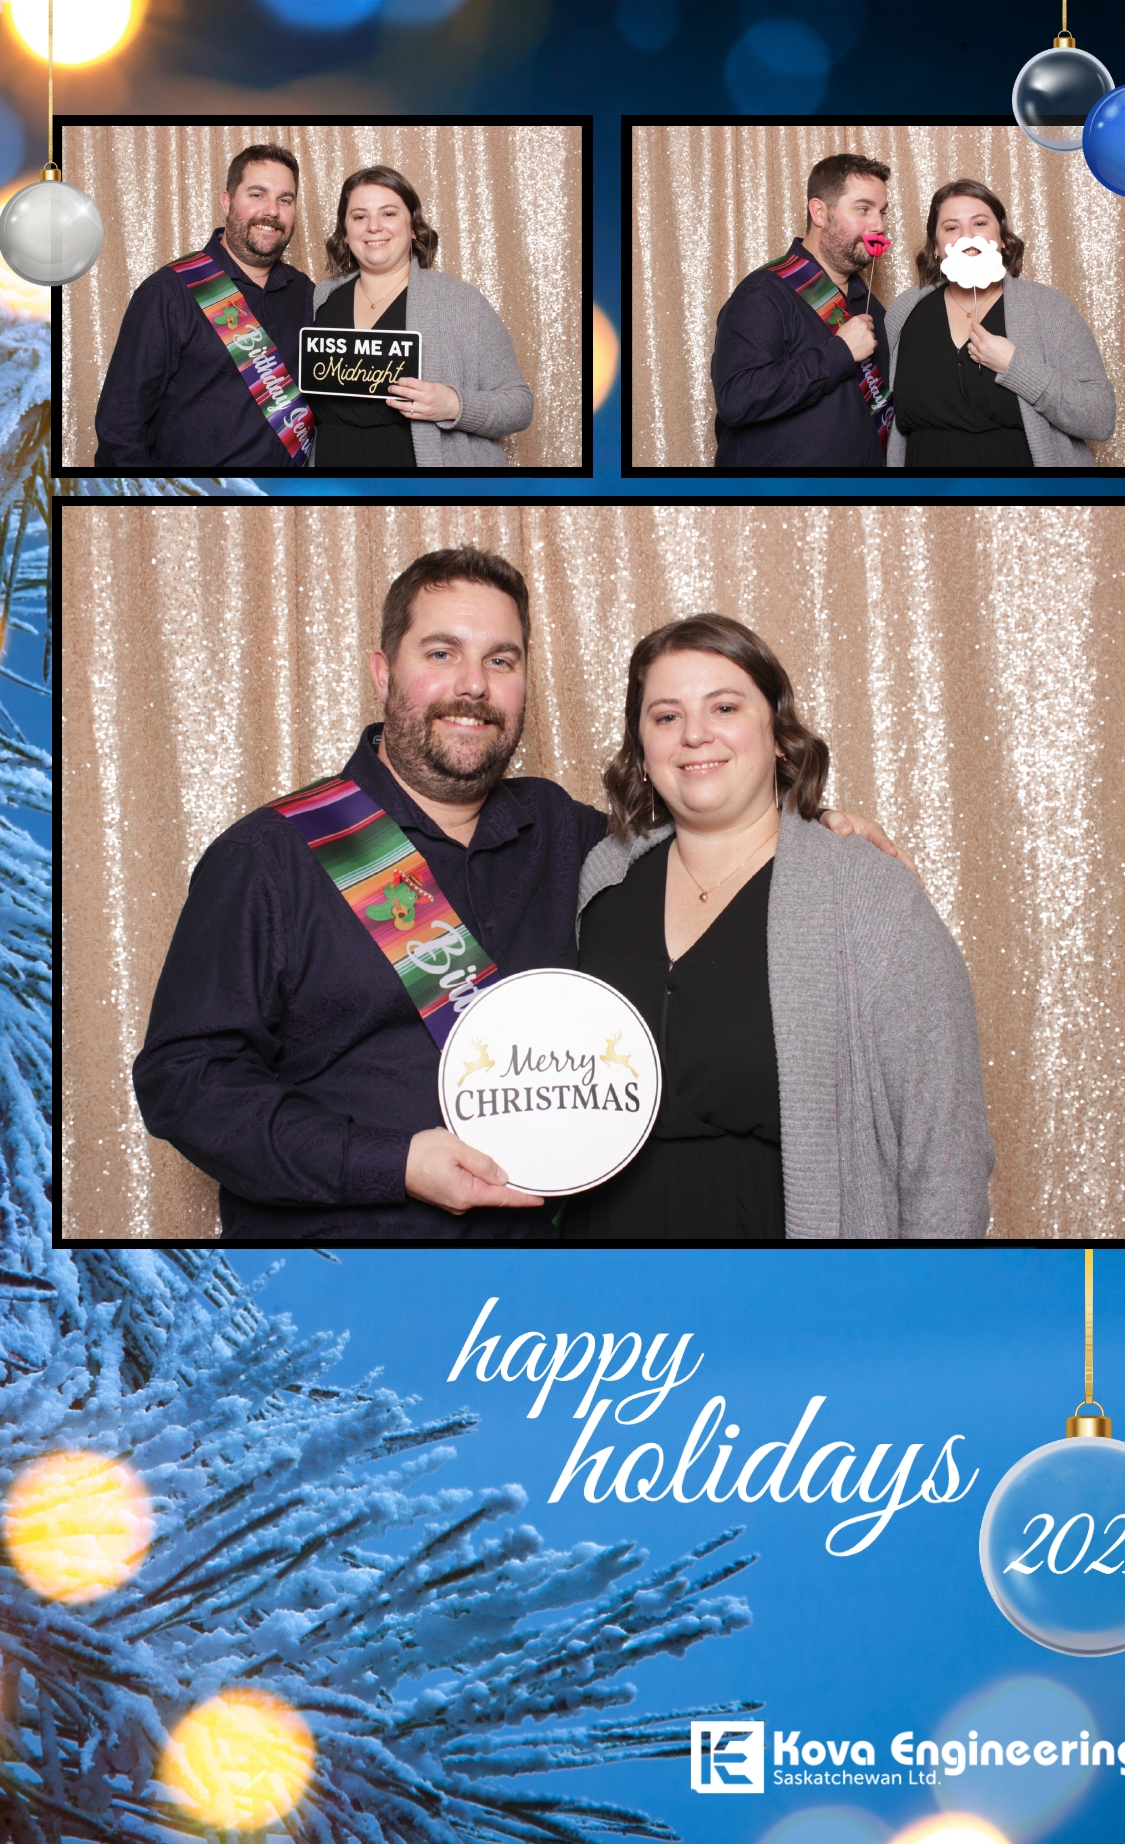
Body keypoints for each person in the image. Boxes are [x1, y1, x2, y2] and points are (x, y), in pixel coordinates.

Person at [131, 546, 907, 1242]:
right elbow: (184, 1083)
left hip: (554, 1286)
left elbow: (714, 832)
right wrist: (392, 1163)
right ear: (383, 672)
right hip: (352, 1281)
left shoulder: (572, 838)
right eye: (442, 653)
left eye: (501, 660)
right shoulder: (271, 857)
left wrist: (812, 834)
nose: (473, 685)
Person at [565, 615, 995, 1242]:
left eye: (725, 707)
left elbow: (947, 1149)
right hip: (610, 1266)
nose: (694, 734)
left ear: (779, 738)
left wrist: (923, 1290)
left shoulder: (866, 892)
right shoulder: (604, 878)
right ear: (643, 750)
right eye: (666, 716)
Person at [94, 144, 315, 472]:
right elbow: (120, 431)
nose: (271, 211)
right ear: (227, 202)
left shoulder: (306, 293)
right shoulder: (168, 292)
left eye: (285, 200)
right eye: (257, 195)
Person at [307, 165, 533, 468]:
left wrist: (454, 405)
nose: (373, 226)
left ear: (413, 228)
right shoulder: (324, 296)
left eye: (389, 213)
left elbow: (519, 405)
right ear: (345, 234)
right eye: (359, 217)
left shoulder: (460, 301)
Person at [885, 178, 1116, 469]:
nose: (968, 237)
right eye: (952, 228)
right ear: (935, 246)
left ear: (1003, 238)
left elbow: (1100, 417)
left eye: (980, 223)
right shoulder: (904, 311)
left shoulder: (1047, 306)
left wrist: (1015, 366)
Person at [710, 153, 893, 470]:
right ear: (820, 212)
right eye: (863, 209)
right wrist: (839, 352)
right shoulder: (764, 292)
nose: (879, 225)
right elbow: (736, 399)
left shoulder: (870, 306)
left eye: (881, 212)